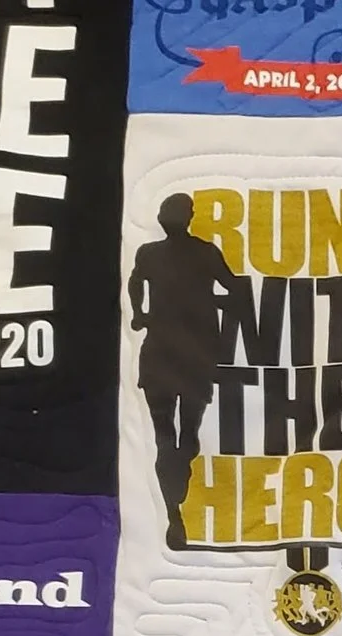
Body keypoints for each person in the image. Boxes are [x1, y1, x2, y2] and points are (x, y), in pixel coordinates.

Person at [128, 193, 236, 551]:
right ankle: (175, 512)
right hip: (189, 353)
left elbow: (135, 283)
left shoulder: (153, 253)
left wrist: (141, 312)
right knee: (179, 435)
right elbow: (234, 289)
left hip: (172, 350)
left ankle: (175, 511)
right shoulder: (203, 252)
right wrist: (208, 303)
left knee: (172, 436)